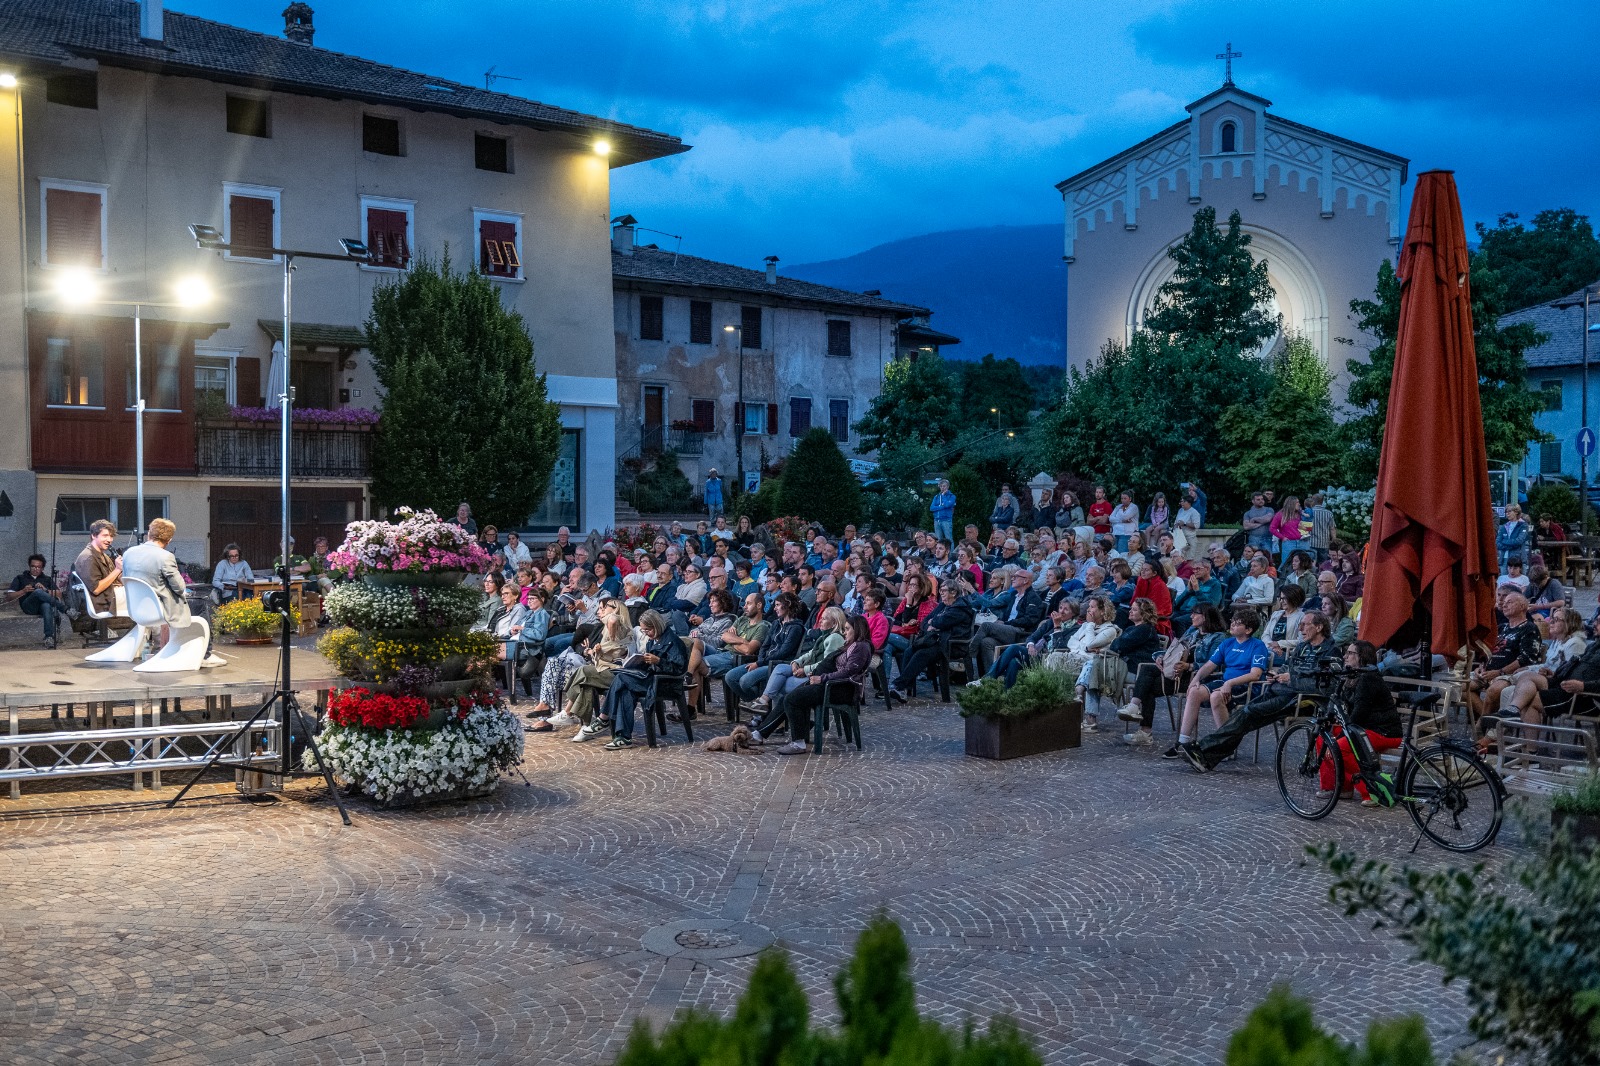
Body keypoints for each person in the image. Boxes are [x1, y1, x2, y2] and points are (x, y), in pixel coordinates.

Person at [1181, 611, 1341, 771]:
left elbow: (1326, 686)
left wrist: (1290, 679)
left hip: (1301, 699)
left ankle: (1202, 751)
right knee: (1243, 714)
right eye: (1300, 624)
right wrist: (1276, 675)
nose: (1300, 629)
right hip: (1279, 690)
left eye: (1305, 625)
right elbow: (1286, 667)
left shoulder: (1330, 651)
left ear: (1319, 627)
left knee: (1248, 713)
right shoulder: (1302, 647)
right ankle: (1206, 755)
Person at [1171, 606, 1267, 759]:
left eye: (1237, 623)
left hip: (1246, 687)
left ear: (1248, 630)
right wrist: (1195, 679)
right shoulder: (1228, 643)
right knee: (1195, 691)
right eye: (1233, 621)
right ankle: (1182, 742)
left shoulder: (1257, 645)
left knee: (1216, 696)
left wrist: (1230, 683)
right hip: (1225, 682)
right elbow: (1209, 665)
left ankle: (1224, 746)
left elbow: (1255, 674)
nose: (1232, 624)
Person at [771, 614, 875, 755]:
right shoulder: (851, 645)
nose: (844, 632)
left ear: (857, 630)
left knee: (792, 699)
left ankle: (798, 743)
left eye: (847, 629)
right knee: (790, 697)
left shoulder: (861, 647)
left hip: (840, 689)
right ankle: (764, 733)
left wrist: (822, 678)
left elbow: (848, 671)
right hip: (831, 685)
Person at [1318, 641, 1405, 805]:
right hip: (1361, 729)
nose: (1345, 656)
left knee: (1337, 747)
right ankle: (1339, 788)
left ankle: (1372, 791)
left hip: (1382, 732)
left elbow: (1359, 715)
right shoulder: (1351, 677)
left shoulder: (1368, 678)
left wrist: (1339, 737)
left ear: (1362, 658)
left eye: (1350, 653)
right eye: (1346, 653)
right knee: (1322, 738)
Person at [1467, 589, 1545, 720]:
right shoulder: (1501, 627)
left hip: (1509, 675)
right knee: (1459, 687)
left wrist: (1500, 672)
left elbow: (1526, 658)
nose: (1504, 604)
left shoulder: (1529, 628)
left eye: (1510, 602)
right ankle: (1489, 720)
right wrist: (1480, 667)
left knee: (1494, 691)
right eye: (1504, 602)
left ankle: (1483, 724)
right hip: (1487, 673)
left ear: (1522, 606)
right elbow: (1486, 651)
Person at [890, 580, 976, 700]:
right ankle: (904, 689)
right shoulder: (943, 605)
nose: (941, 593)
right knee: (910, 651)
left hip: (952, 645)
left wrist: (934, 623)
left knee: (921, 654)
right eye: (940, 590)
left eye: (944, 590)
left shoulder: (960, 608)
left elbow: (940, 622)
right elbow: (925, 622)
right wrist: (932, 624)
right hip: (937, 641)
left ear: (953, 592)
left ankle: (899, 685)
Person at [120, 518, 191, 650]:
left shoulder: (128, 553)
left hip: (135, 609)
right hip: (159, 611)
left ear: (149, 534)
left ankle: (163, 646)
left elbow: (124, 578)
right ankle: (203, 653)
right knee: (201, 605)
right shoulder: (165, 556)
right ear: (169, 540)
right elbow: (179, 588)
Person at [971, 568, 1045, 674]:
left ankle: (970, 653)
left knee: (986, 626)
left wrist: (1007, 623)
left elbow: (1029, 620)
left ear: (1025, 580)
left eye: (1016, 577)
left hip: (1020, 632)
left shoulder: (1033, 598)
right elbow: (992, 605)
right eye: (1012, 576)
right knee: (986, 642)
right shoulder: (1013, 595)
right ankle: (990, 677)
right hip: (1007, 629)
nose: (1012, 579)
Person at [6, 553, 71, 648]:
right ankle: (65, 609)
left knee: (46, 605)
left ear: (42, 568)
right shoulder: (20, 578)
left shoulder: (47, 579)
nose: (35, 569)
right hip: (28, 607)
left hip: (43, 608)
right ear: (29, 566)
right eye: (33, 566)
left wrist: (46, 590)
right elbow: (9, 597)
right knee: (37, 592)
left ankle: (49, 637)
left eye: (38, 567)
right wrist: (23, 591)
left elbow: (59, 594)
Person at [74, 518, 124, 617]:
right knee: (141, 597)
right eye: (105, 535)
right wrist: (117, 569)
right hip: (104, 602)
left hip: (112, 595)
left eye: (111, 536)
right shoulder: (88, 557)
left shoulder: (103, 555)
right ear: (94, 535)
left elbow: (115, 577)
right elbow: (96, 589)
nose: (109, 540)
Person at [1304, 493, 1336, 563]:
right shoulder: (1329, 513)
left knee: (1310, 564)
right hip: (1324, 544)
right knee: (1323, 565)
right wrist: (1334, 540)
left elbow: (1304, 528)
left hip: (1311, 543)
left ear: (1313, 501)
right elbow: (1332, 528)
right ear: (1322, 501)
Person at [1496, 505, 1530, 570]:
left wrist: (1504, 541)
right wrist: (1512, 546)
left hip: (1518, 559)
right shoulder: (1504, 526)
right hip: (1504, 559)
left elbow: (1519, 541)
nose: (1507, 513)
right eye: (1506, 512)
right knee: (1504, 576)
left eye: (1509, 511)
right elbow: (1497, 543)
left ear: (1516, 512)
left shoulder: (1523, 525)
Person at [930, 478, 957, 544]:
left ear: (948, 486)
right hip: (937, 521)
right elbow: (932, 508)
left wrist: (943, 496)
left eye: (944, 486)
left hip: (946, 520)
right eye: (941, 486)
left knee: (949, 539)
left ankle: (950, 551)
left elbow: (947, 505)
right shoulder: (936, 497)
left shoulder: (952, 496)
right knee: (938, 540)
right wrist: (942, 507)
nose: (942, 488)